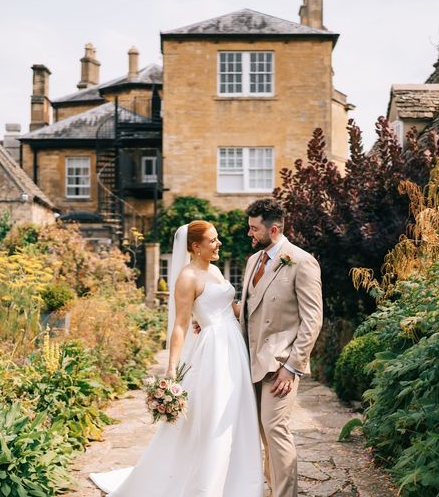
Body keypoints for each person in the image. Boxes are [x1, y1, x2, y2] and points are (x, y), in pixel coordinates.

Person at [89, 221, 263, 496]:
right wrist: (171, 367)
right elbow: (181, 324)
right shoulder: (187, 277)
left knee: (236, 411)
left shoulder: (216, 270)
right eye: (213, 240)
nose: (219, 244)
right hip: (214, 350)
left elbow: (233, 309)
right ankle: (206, 483)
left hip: (234, 346)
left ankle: (236, 479)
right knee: (214, 412)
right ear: (196, 246)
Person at [240, 199, 323, 497]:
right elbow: (249, 309)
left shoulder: (301, 261)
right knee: (263, 433)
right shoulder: (253, 261)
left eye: (254, 228)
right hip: (250, 362)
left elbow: (312, 319)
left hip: (280, 365)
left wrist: (292, 366)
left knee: (275, 430)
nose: (249, 233)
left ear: (273, 229)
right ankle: (273, 490)